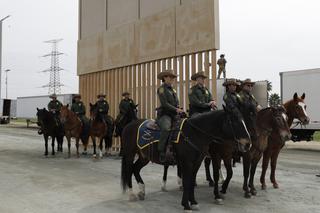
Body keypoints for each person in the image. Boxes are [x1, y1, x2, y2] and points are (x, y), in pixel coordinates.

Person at [156, 69, 184, 163]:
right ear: (165, 78)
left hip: (174, 114)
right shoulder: (161, 89)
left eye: (173, 77)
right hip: (165, 114)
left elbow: (176, 102)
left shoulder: (173, 90)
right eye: (170, 77)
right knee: (166, 128)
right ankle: (161, 151)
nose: (172, 79)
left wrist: (179, 108)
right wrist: (176, 109)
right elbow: (164, 104)